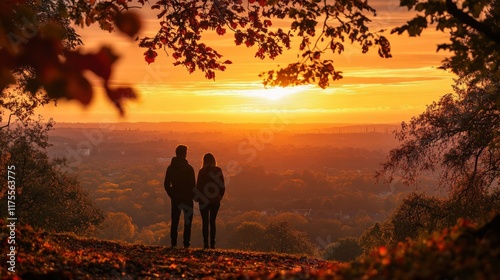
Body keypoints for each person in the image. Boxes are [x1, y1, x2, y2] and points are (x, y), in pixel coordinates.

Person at [164, 145, 195, 248]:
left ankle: (173, 243)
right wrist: (192, 196)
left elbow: (166, 184)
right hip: (187, 199)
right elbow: (193, 186)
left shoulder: (170, 168)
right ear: (184, 154)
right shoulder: (189, 168)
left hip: (175, 198)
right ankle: (186, 243)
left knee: (175, 221)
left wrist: (172, 195)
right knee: (187, 222)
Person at [195, 153, 225, 249]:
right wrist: (220, 196)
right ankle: (213, 244)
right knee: (212, 222)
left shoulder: (202, 171)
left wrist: (197, 198)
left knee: (205, 222)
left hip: (204, 201)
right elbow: (222, 186)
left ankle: (205, 244)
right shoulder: (218, 170)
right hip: (215, 200)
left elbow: (199, 187)